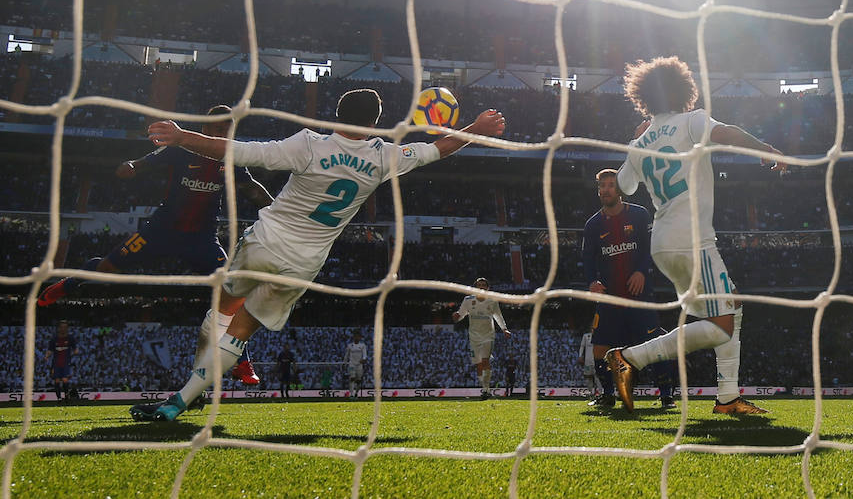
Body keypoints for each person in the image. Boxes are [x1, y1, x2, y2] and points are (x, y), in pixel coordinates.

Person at [130, 89, 505, 421]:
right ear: (375, 122)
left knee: (221, 312)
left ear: (336, 116)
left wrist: (181, 137)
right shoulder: (382, 157)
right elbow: (437, 149)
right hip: (302, 263)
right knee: (241, 332)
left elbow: (239, 150)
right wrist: (476, 126)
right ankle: (181, 401)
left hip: (264, 242)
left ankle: (186, 395)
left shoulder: (308, 143)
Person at [38, 105, 274, 387]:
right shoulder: (183, 148)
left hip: (201, 239)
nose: (225, 133)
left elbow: (251, 188)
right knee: (108, 267)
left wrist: (276, 208)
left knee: (231, 294)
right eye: (220, 128)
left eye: (229, 129)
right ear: (207, 127)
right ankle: (68, 284)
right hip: (159, 231)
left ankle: (241, 360)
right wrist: (132, 166)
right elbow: (146, 161)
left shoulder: (232, 158)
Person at [605, 56, 786, 414]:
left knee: (730, 305)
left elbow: (624, 185)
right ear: (682, 90)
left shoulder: (640, 140)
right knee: (721, 325)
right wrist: (765, 150)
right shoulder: (692, 121)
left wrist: (637, 140)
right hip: (692, 241)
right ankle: (630, 358)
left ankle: (728, 397)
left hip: (664, 244)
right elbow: (728, 134)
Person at [583, 169, 675, 410]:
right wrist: (592, 281)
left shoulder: (639, 215)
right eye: (602, 186)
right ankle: (608, 394)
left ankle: (666, 395)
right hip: (610, 297)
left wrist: (641, 272)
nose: (606, 190)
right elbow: (587, 260)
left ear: (620, 189)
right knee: (600, 347)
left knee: (655, 343)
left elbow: (649, 248)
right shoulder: (593, 225)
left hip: (639, 296)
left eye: (611, 185)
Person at [452, 277, 511, 400]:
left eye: (484, 284)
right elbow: (461, 314)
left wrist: (504, 329)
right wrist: (457, 316)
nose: (481, 287)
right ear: (475, 287)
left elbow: (498, 316)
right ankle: (484, 388)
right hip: (474, 336)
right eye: (479, 285)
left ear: (487, 287)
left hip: (488, 335)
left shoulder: (492, 300)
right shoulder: (468, 300)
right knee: (479, 364)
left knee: (485, 361)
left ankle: (485, 390)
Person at [45, 320, 78, 402]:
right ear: (59, 328)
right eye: (62, 327)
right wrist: (46, 356)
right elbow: (50, 350)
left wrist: (75, 352)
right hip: (56, 363)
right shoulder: (54, 339)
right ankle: (59, 398)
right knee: (56, 380)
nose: (63, 329)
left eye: (65, 327)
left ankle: (66, 396)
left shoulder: (70, 338)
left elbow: (75, 349)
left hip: (66, 362)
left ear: (67, 328)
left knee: (64, 379)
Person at [576, 326, 601, 400]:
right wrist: (580, 356)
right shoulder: (586, 336)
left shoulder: (599, 336)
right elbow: (582, 346)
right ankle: (590, 392)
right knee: (588, 377)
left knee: (597, 377)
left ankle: (600, 393)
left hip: (596, 360)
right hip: (588, 360)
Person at [343, 330, 367, 398]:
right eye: (355, 336)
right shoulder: (350, 346)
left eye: (358, 336)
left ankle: (356, 392)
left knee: (358, 380)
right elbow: (346, 355)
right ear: (354, 337)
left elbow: (365, 354)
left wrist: (364, 359)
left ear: (360, 338)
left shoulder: (362, 345)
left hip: (359, 365)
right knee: (352, 378)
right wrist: (344, 363)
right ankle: (351, 394)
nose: (357, 338)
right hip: (352, 364)